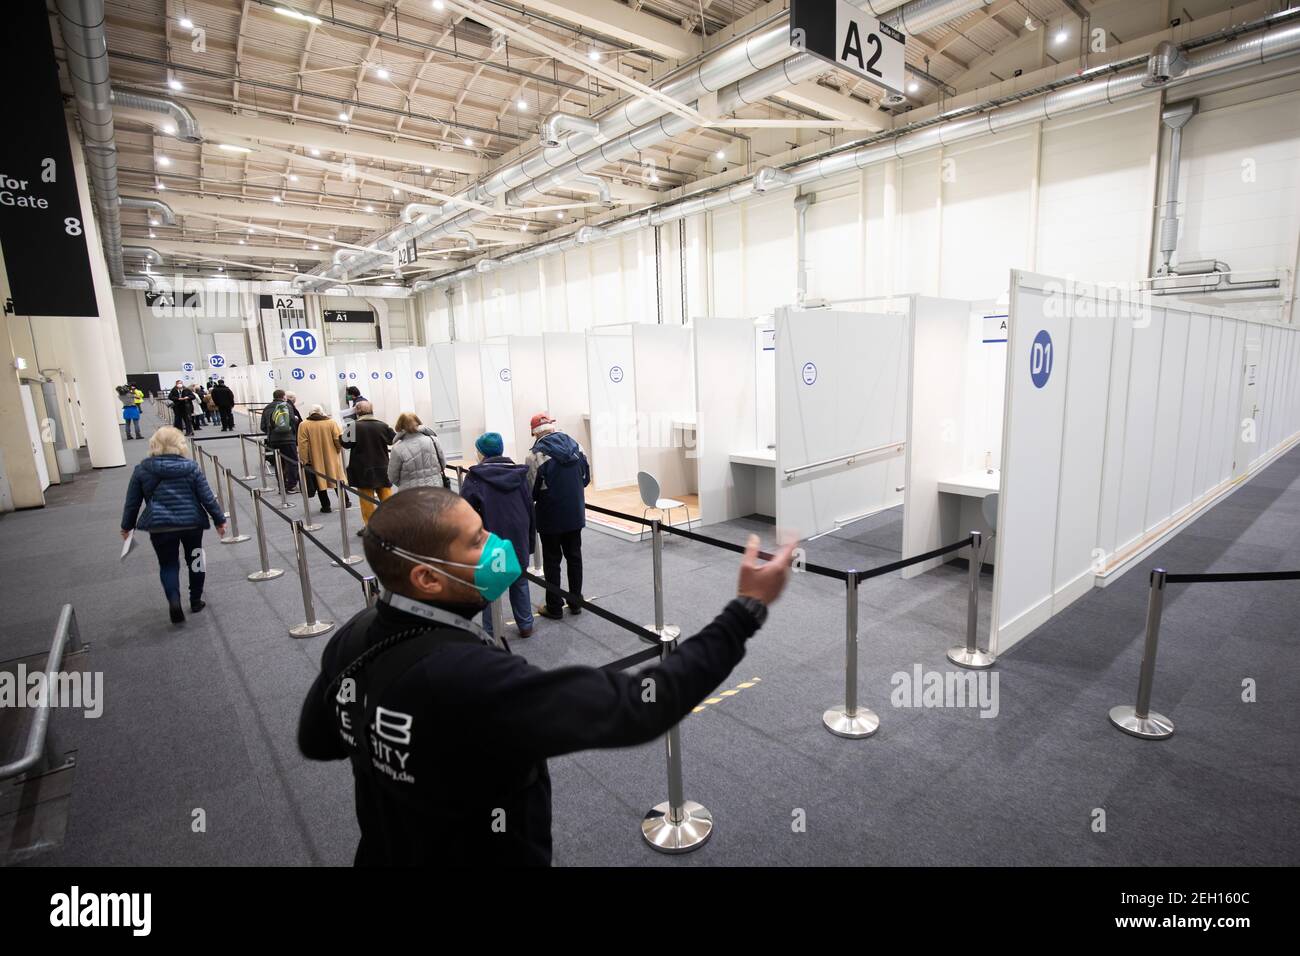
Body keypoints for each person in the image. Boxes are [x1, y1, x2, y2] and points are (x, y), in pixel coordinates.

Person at [297, 487, 795, 865]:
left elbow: (318, 740)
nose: (497, 546)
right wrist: (745, 609)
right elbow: (639, 704)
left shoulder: (354, 635)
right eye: (476, 542)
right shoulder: (468, 678)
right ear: (427, 577)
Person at [120, 425, 227, 624]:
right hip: (191, 523)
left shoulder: (142, 469)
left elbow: (132, 502)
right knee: (195, 558)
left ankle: (174, 599)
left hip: (160, 526)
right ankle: (196, 599)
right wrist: (219, 520)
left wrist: (127, 527)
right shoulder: (191, 467)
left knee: (168, 564)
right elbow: (207, 498)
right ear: (180, 444)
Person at [459, 432, 534, 639]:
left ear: (482, 453)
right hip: (518, 534)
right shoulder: (520, 474)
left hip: (490, 535)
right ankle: (526, 624)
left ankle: (491, 632)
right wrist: (530, 540)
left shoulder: (475, 478)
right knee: (519, 580)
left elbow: (464, 512)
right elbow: (529, 508)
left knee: (489, 585)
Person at [525, 413, 590, 621]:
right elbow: (586, 478)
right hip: (574, 512)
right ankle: (576, 602)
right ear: (553, 427)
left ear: (534, 432)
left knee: (552, 561)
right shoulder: (577, 446)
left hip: (550, 516)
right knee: (574, 556)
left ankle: (554, 606)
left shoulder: (535, 456)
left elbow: (531, 492)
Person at [342, 400, 395, 531]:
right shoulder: (382, 425)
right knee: (386, 496)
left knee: (366, 499)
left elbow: (345, 443)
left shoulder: (353, 426)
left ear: (357, 412)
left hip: (362, 468)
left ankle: (371, 526)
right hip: (382, 466)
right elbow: (392, 439)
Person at [298, 403, 347, 512]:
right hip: (332, 456)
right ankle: (345, 501)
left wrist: (304, 460)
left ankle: (326, 506)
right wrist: (337, 451)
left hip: (315, 459)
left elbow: (302, 445)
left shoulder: (304, 424)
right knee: (336, 478)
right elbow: (337, 439)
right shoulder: (331, 422)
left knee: (319, 481)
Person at [387, 412, 449, 490]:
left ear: (400, 425)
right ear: (418, 422)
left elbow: (392, 476)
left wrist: (406, 483)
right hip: (435, 488)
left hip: (411, 493)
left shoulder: (397, 448)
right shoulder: (433, 440)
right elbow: (442, 464)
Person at [259, 389, 300, 492]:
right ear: (283, 397)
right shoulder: (287, 406)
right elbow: (292, 422)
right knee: (292, 462)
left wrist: (271, 433)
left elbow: (263, 426)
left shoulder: (267, 408)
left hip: (274, 441)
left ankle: (282, 486)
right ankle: (291, 486)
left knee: (278, 463)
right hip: (288, 439)